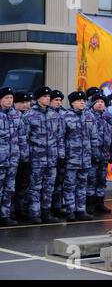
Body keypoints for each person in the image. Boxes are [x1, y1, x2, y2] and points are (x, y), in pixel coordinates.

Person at [23, 87, 63, 224]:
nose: (47, 98)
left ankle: (46, 212)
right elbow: (24, 138)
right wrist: (26, 156)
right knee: (35, 187)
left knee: (49, 186)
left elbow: (59, 137)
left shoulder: (54, 115)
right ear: (38, 98)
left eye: (48, 96)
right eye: (45, 96)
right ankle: (34, 213)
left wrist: (60, 155)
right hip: (36, 157)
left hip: (51, 157)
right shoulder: (29, 115)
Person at [63, 91, 98, 222]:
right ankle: (70, 210)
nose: (82, 102)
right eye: (79, 101)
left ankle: (80, 210)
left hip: (86, 157)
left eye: (83, 100)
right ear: (72, 103)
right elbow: (61, 137)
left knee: (83, 184)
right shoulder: (65, 116)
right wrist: (62, 155)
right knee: (70, 185)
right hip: (71, 158)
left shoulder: (89, 116)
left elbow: (94, 136)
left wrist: (95, 153)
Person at [0, 87, 28, 226]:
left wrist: (24, 154)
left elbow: (22, 136)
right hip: (1, 158)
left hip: (13, 159)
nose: (9, 100)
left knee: (9, 188)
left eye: (11, 98)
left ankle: (5, 215)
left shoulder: (16, 115)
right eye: (6, 98)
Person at [86, 93, 112, 215]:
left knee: (102, 180)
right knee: (91, 180)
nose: (100, 103)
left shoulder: (108, 118)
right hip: (92, 155)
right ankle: (90, 204)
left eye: (102, 102)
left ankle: (100, 202)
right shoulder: (88, 117)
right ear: (92, 104)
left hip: (104, 155)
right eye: (97, 101)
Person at [12, 92, 33, 221]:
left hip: (27, 157)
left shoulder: (30, 115)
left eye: (27, 102)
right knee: (10, 187)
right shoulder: (13, 116)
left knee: (23, 186)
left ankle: (21, 210)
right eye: (22, 103)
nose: (26, 105)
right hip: (12, 158)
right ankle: (10, 211)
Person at [49, 90, 69, 218]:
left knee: (59, 183)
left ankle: (56, 207)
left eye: (60, 100)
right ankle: (45, 209)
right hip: (46, 155)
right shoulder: (48, 114)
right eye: (55, 100)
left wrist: (62, 154)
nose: (58, 102)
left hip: (61, 153)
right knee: (47, 185)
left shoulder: (64, 114)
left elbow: (64, 136)